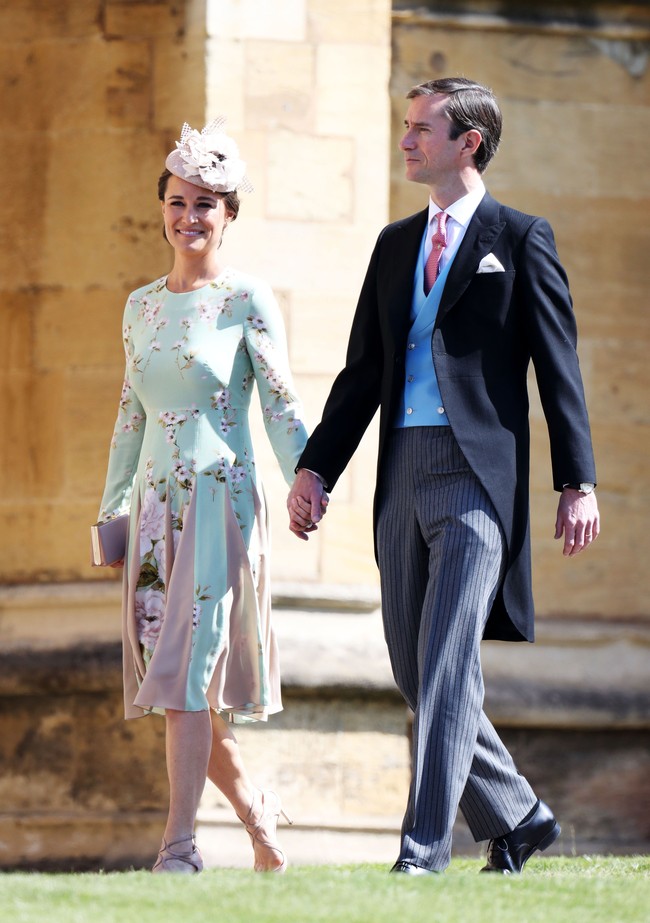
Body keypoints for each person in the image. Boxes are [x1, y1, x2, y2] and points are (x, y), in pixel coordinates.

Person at [287, 77, 600, 874]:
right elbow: (362, 374)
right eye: (405, 127)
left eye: (422, 128)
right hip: (403, 470)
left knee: (451, 657)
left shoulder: (521, 237)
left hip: (476, 480)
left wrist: (578, 479)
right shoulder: (395, 245)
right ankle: (519, 813)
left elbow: (557, 367)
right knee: (413, 664)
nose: (406, 140)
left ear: (470, 143)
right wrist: (316, 466)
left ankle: (422, 851)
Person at [96, 119, 315, 874]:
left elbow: (282, 403)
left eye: (207, 205)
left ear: (229, 216)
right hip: (154, 515)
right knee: (175, 683)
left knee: (188, 673)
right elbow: (131, 413)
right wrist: (110, 510)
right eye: (180, 201)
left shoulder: (246, 298)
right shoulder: (138, 306)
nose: (190, 216)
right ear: (162, 207)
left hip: (220, 507)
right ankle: (258, 810)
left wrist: (308, 479)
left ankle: (179, 846)